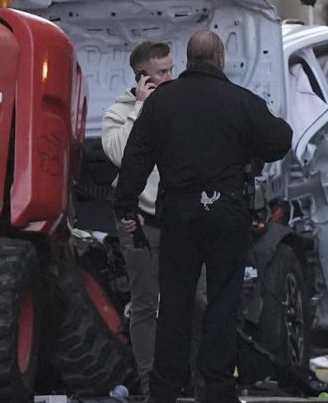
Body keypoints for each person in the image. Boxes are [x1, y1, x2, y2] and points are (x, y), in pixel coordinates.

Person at [114, 30, 293, 403]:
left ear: (188, 59)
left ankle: (165, 388)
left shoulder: (162, 103)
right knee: (223, 301)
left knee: (175, 302)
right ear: (221, 59)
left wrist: (125, 207)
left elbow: (136, 158)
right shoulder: (241, 101)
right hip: (226, 210)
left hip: (178, 212)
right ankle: (217, 387)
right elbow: (280, 139)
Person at [101, 41, 176, 397]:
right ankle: (150, 387)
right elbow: (120, 155)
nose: (170, 77)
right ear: (142, 77)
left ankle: (188, 378)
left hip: (178, 220)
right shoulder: (119, 112)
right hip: (139, 222)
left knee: (197, 299)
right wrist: (142, 109)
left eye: (171, 69)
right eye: (162, 72)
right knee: (145, 303)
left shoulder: (179, 106)